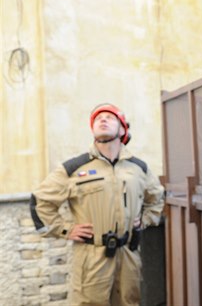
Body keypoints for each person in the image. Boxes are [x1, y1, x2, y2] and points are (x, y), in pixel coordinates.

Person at [30, 103, 165, 306]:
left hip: (128, 254)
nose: (102, 119)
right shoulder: (75, 168)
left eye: (110, 117)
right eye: (98, 118)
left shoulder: (139, 168)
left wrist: (144, 220)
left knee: (130, 302)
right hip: (91, 258)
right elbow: (40, 201)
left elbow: (157, 199)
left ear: (122, 129)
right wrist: (65, 229)